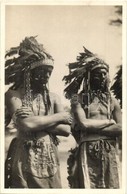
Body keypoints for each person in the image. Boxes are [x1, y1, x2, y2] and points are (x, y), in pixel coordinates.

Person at [5, 36, 72, 188]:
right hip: (24, 154)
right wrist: (59, 117)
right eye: (42, 72)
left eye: (49, 72)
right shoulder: (13, 95)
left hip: (50, 156)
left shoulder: (54, 98)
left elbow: (66, 130)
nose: (47, 76)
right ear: (29, 72)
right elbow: (26, 124)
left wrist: (36, 121)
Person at [63, 47, 122, 188]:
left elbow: (121, 128)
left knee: (112, 185)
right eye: (97, 74)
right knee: (89, 185)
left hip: (110, 150)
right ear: (88, 76)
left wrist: (93, 130)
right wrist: (109, 122)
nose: (102, 78)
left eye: (104, 74)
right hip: (88, 149)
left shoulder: (112, 101)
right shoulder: (79, 99)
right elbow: (83, 124)